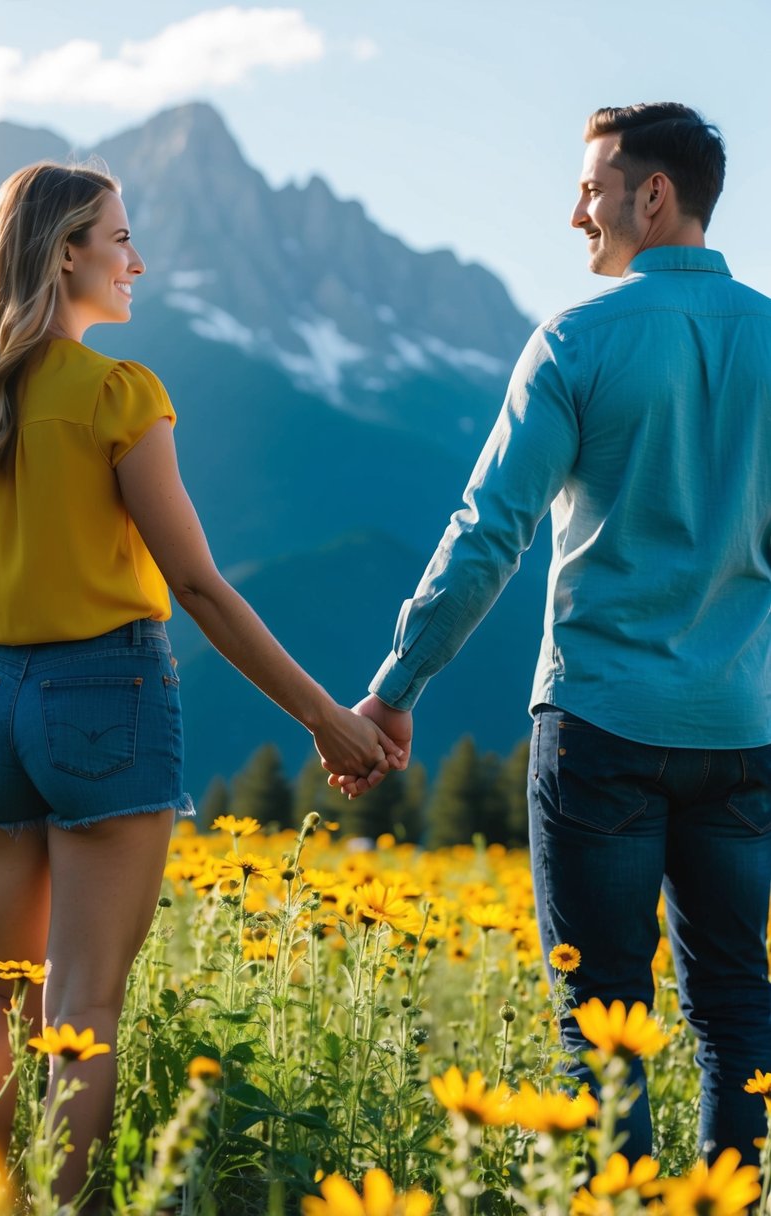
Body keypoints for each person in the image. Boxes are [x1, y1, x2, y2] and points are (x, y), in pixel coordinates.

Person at [0, 161, 401, 1210]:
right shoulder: (117, 393)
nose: (137, 260)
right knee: (83, 1007)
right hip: (106, 699)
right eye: (119, 238)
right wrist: (326, 718)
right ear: (66, 254)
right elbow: (196, 583)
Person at [327, 103, 771, 1164]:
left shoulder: (575, 341)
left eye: (590, 186)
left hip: (600, 727)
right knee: (736, 1012)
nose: (575, 210)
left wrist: (396, 684)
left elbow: (488, 534)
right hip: (742, 732)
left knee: (601, 1023)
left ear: (650, 195)